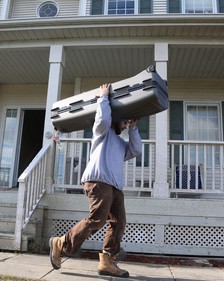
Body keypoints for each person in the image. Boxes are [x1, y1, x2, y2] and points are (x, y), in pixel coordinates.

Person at [49, 83, 142, 278]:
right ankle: (61, 243)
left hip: (114, 186)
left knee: (119, 222)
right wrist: (103, 97)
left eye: (127, 124)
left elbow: (136, 150)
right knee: (97, 220)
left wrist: (133, 128)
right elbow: (102, 120)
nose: (125, 126)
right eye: (124, 122)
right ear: (115, 119)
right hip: (98, 181)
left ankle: (108, 261)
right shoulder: (103, 132)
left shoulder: (121, 143)